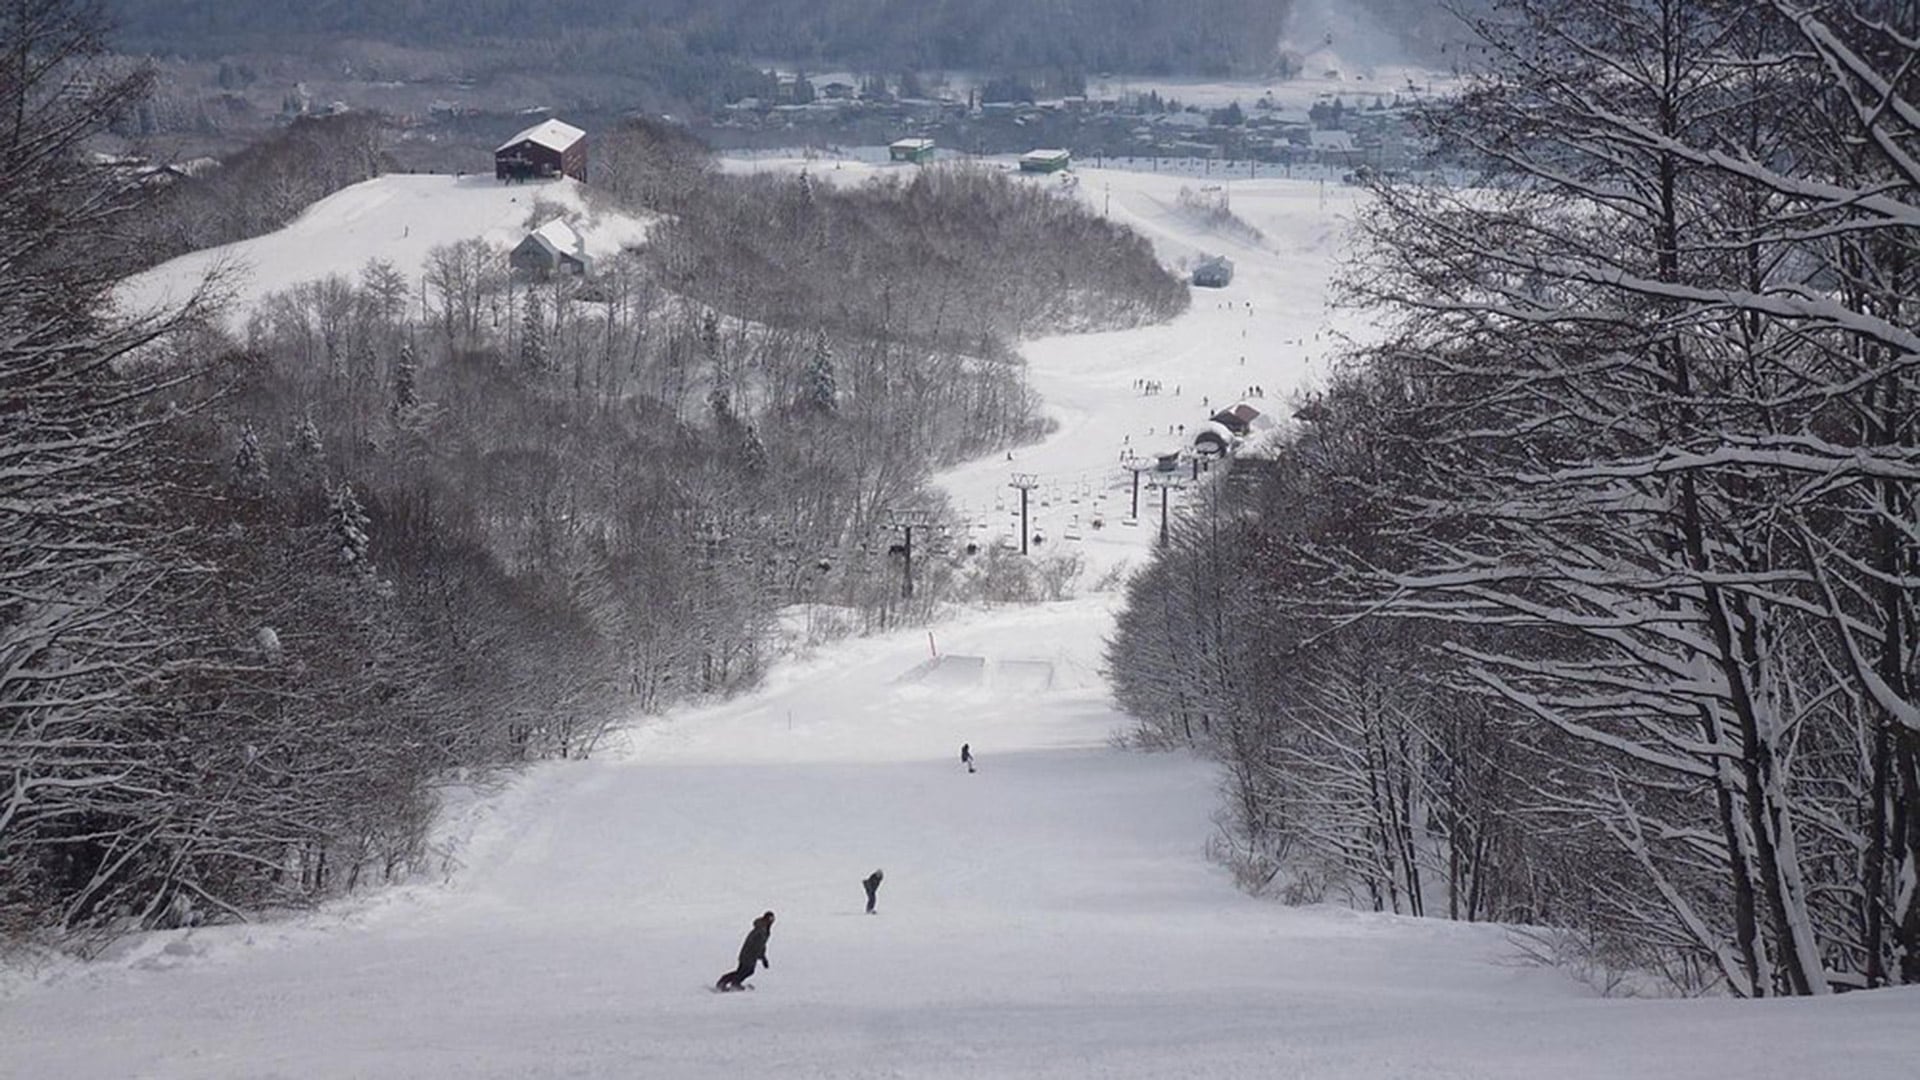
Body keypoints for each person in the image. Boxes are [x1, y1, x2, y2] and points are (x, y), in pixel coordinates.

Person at [715, 911, 775, 991]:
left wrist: (763, 958)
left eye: (772, 919)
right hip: (748, 954)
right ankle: (730, 982)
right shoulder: (760, 930)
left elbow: (762, 946)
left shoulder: (764, 930)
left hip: (751, 955)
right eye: (770, 919)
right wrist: (761, 957)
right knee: (747, 971)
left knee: (744, 971)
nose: (771, 921)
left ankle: (728, 982)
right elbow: (756, 945)